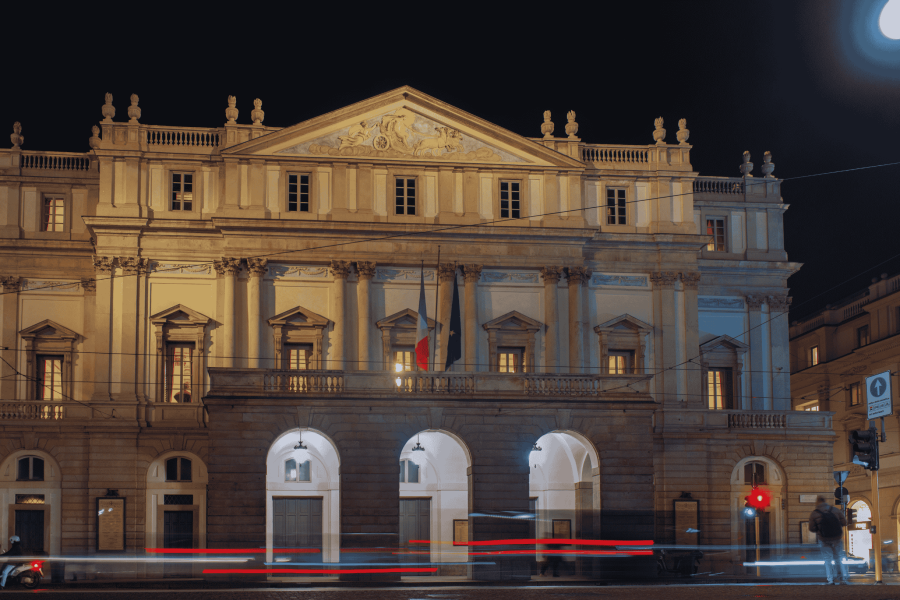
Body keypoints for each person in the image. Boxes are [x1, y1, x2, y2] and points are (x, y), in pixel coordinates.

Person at [809, 496, 849, 585]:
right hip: (837, 538)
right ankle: (842, 579)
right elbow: (844, 522)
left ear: (817, 502)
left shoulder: (814, 513)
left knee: (827, 560)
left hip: (824, 539)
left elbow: (811, 528)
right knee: (838, 558)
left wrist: (820, 529)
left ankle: (830, 580)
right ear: (825, 501)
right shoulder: (835, 510)